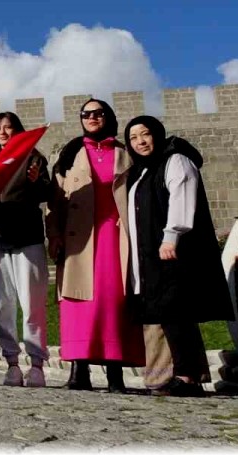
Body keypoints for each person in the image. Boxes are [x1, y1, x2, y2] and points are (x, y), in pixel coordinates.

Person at [125, 115, 233, 397]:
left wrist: (171, 235)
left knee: (177, 312)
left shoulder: (176, 161)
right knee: (164, 312)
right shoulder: (142, 171)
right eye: (134, 137)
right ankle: (178, 374)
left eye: (145, 134)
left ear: (157, 135)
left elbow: (182, 198)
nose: (140, 141)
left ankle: (187, 377)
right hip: (150, 254)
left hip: (172, 249)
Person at [46, 99, 144, 392]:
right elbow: (54, 202)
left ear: (108, 117)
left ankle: (115, 375)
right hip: (79, 239)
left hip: (115, 238)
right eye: (86, 114)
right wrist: (54, 235)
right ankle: (79, 372)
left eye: (98, 113)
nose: (92, 118)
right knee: (78, 304)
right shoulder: (70, 154)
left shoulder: (125, 153)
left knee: (112, 303)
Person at [0, 112, 51, 388]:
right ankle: (12, 364)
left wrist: (34, 181)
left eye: (9, 128)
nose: (4, 133)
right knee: (3, 305)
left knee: (32, 304)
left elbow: (46, 193)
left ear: (19, 131)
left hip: (27, 239)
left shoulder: (34, 159)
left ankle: (38, 364)